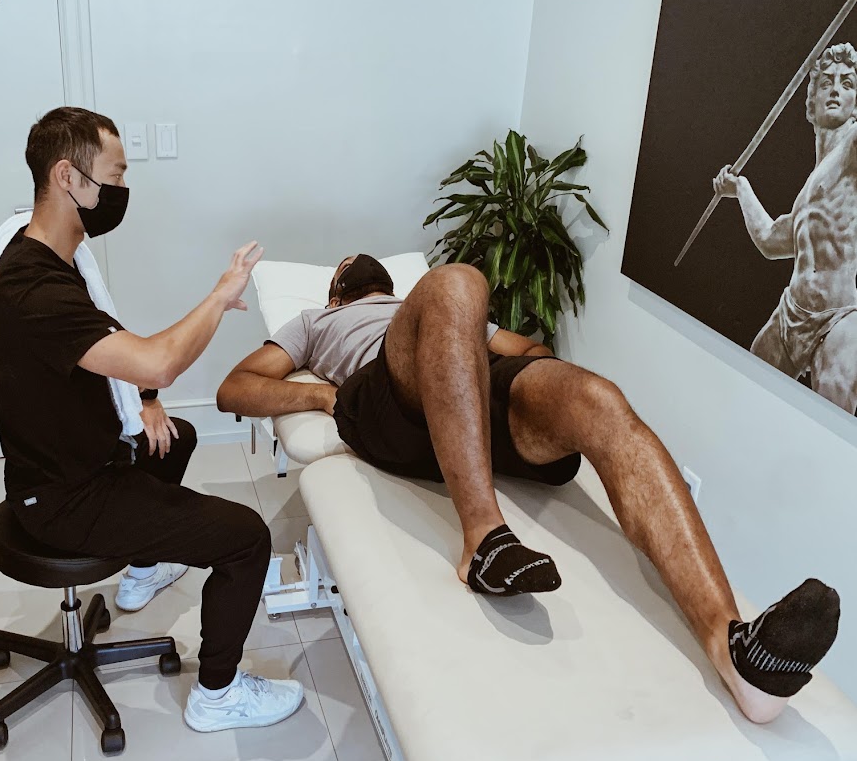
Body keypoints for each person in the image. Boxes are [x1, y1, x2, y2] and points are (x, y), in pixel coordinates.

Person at [217, 253, 840, 725]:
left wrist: (536, 386)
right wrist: (322, 397)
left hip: (475, 390)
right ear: (336, 295)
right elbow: (234, 388)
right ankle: (484, 541)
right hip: (389, 402)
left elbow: (532, 350)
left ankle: (737, 653)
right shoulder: (318, 321)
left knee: (598, 399)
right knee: (458, 279)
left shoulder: (443, 313)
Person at [0, 106, 303, 733]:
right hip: (65, 498)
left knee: (174, 437)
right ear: (68, 177)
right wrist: (220, 296)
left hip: (70, 467)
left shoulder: (47, 255)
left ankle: (143, 567)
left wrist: (147, 400)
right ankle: (218, 695)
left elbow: (105, 345)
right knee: (246, 538)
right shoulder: (34, 288)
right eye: (115, 175)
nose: (123, 189)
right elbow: (158, 361)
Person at [713, 42, 857, 414]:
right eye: (826, 82)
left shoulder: (852, 150)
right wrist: (740, 189)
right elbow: (770, 240)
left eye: (847, 83)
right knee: (747, 392)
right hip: (791, 313)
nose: (835, 89)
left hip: (837, 319)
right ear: (812, 100)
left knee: (829, 417)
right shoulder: (809, 191)